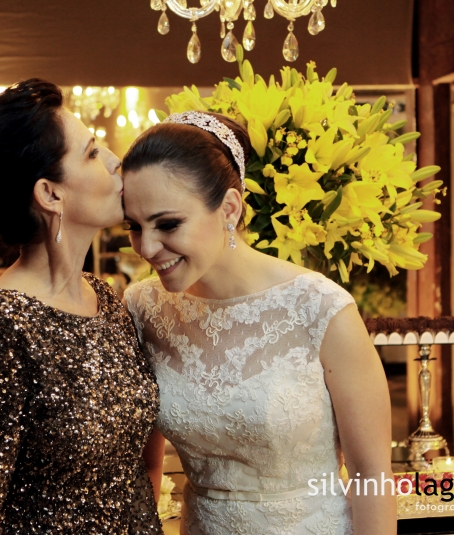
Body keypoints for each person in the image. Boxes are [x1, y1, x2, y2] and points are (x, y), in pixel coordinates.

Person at [121, 111, 396, 535]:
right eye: (134, 227)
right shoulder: (141, 308)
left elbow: (371, 475)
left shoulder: (320, 308)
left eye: (168, 224)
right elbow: (144, 468)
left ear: (229, 208)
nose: (147, 247)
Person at [0, 79, 163, 535]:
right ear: (50, 194)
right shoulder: (1, 326)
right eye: (93, 153)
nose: (115, 160)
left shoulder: (106, 300)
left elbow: (133, 473)